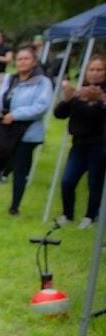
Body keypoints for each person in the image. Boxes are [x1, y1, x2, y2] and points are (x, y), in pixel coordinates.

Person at [0, 47, 54, 215]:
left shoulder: (43, 82)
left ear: (34, 61)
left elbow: (41, 106)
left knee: (20, 170)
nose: (22, 62)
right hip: (5, 129)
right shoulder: (11, 78)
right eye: (20, 58)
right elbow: (1, 97)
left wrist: (16, 115)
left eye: (26, 58)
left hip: (26, 132)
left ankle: (14, 207)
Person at [54, 54, 106, 228]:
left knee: (94, 182)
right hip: (78, 144)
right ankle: (67, 214)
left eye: (99, 70)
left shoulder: (103, 94)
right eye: (92, 69)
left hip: (99, 145)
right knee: (67, 181)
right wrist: (67, 99)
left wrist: (100, 100)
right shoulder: (79, 92)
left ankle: (91, 216)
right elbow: (59, 114)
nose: (95, 73)